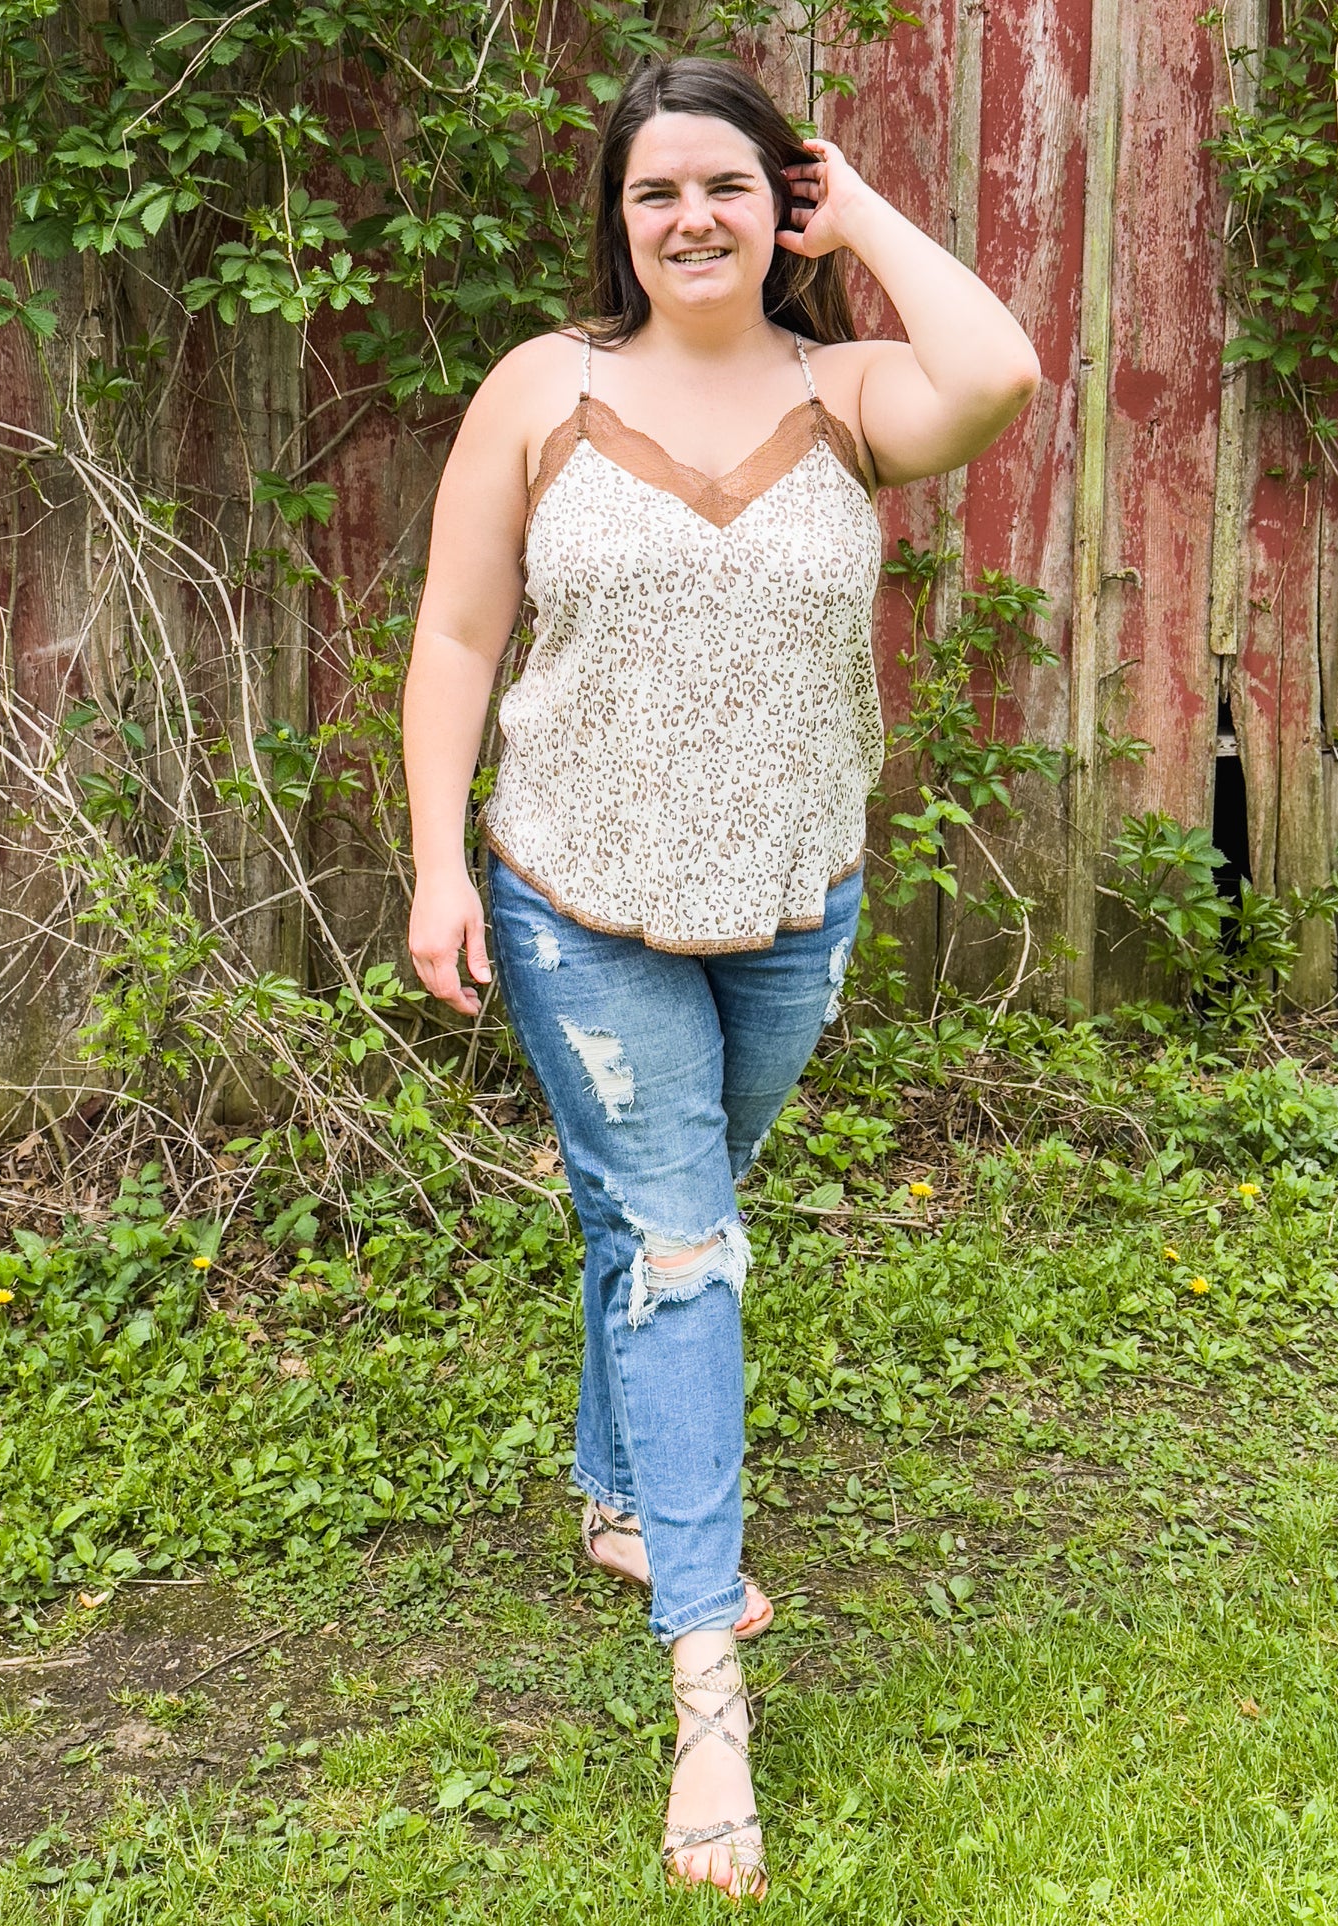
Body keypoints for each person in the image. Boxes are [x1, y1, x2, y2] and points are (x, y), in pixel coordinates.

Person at [402, 53, 1039, 1901]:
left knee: (663, 1212)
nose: (690, 217)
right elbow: (456, 632)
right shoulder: (542, 386)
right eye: (655, 189)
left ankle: (612, 1485)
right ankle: (706, 1687)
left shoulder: (852, 391)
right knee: (686, 1252)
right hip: (573, 904)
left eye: (730, 187)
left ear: (782, 207)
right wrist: (438, 860)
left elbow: (994, 373)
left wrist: (871, 221)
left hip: (788, 909)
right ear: (617, 217)